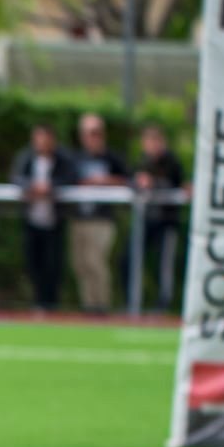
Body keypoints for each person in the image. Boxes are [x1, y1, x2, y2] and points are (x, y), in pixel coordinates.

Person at [11, 125, 76, 313]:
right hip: (31, 219)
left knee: (53, 264)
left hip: (54, 220)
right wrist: (31, 187)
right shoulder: (26, 157)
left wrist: (51, 187)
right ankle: (38, 301)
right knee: (33, 262)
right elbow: (16, 177)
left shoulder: (62, 159)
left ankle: (52, 303)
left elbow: (71, 177)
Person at [68, 114, 129, 314]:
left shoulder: (112, 158)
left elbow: (129, 180)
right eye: (88, 133)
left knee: (96, 261)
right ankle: (88, 306)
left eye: (96, 133)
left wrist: (106, 181)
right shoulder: (76, 159)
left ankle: (101, 306)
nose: (92, 138)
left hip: (102, 219)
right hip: (80, 218)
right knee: (80, 264)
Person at [132, 125, 187, 313]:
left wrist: (153, 183)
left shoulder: (172, 162)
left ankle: (163, 304)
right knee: (131, 260)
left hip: (167, 222)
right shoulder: (142, 161)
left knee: (164, 265)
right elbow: (133, 182)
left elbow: (179, 186)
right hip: (146, 221)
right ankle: (133, 302)